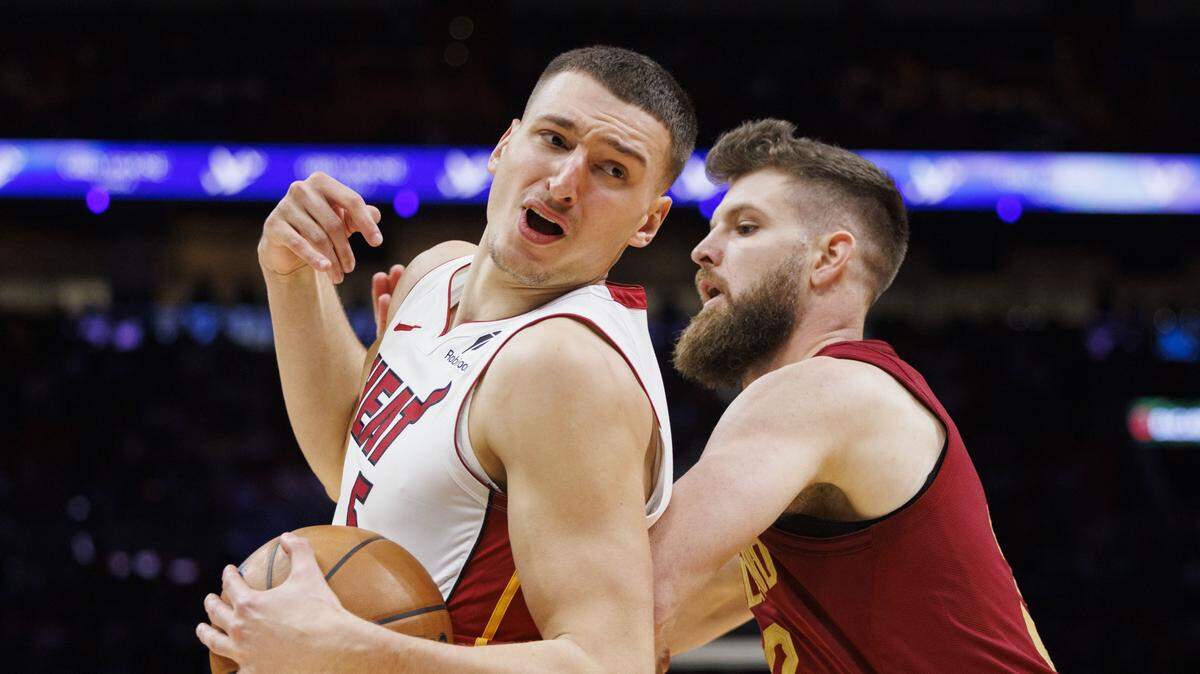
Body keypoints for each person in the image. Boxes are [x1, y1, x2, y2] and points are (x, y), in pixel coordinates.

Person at [195, 46, 696, 673]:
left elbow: (610, 662)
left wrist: (349, 649)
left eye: (612, 171)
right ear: (504, 146)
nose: (566, 184)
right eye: (554, 138)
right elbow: (355, 471)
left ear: (648, 222)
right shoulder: (439, 272)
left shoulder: (564, 370)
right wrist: (293, 277)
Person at [649, 119, 1057, 672]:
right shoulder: (845, 407)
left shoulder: (818, 391)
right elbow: (656, 622)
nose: (702, 250)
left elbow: (630, 595)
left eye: (745, 228)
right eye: (712, 227)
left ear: (829, 257)